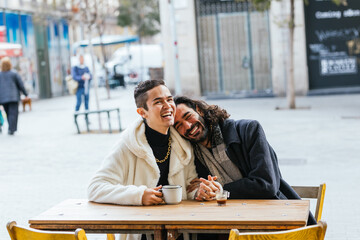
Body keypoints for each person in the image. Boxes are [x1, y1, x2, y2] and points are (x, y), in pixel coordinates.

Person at [173, 96, 317, 225]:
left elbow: (266, 184)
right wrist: (203, 191)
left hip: (274, 218)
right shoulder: (194, 155)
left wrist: (221, 190)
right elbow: (200, 189)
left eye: (188, 116)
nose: (187, 126)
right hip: (229, 222)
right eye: (179, 125)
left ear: (200, 110)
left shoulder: (249, 130)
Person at [88, 80, 215, 210]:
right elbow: (95, 187)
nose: (168, 106)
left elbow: (189, 187)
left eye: (169, 99)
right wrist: (139, 196)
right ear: (142, 113)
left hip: (177, 223)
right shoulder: (128, 145)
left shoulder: (183, 145)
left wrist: (201, 191)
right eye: (158, 102)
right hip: (141, 225)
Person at [0, 57, 30, 135]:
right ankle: (11, 129)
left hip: (3, 98)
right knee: (13, 113)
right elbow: (21, 85)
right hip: (13, 97)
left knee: (8, 113)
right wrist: (25, 94)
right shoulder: (14, 73)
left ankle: (11, 127)